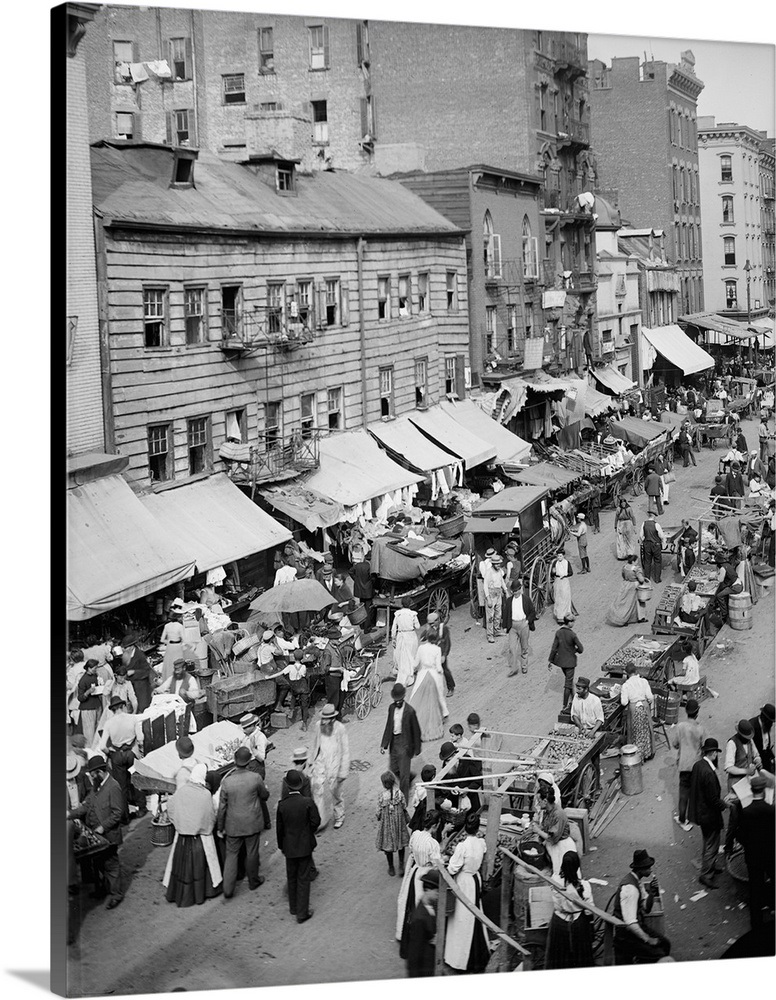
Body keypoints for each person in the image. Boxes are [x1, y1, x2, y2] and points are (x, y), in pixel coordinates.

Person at [67, 756, 125, 909]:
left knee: (111, 865)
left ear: (100, 772)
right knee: (98, 863)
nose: (90, 777)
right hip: (96, 834)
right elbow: (86, 806)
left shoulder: (113, 786)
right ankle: (102, 889)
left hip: (109, 834)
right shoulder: (96, 786)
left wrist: (102, 827)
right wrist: (70, 814)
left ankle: (116, 894)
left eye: (92, 774)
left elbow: (117, 813)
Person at [163, 763, 223, 907]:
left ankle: (180, 895)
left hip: (182, 838)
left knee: (181, 868)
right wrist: (205, 828)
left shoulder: (181, 791)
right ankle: (202, 894)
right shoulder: (205, 794)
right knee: (202, 868)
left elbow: (170, 809)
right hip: (200, 839)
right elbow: (211, 816)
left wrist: (179, 824)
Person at [216, 746, 269, 899]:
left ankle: (228, 889)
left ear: (234, 761)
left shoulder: (226, 782)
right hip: (252, 822)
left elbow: (222, 808)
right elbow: (264, 796)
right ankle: (253, 881)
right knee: (252, 852)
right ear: (248, 761)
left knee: (232, 855)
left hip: (233, 825)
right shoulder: (255, 778)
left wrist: (220, 827)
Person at [444, 815, 490, 972]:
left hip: (464, 882)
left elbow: (452, 868)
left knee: (461, 918)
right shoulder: (481, 843)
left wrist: (447, 864)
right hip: (475, 879)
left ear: (465, 828)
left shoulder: (462, 847)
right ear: (477, 829)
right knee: (474, 914)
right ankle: (477, 951)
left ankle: (459, 958)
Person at [610, 850, 672, 963]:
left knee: (665, 943)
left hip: (638, 926)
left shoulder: (638, 882)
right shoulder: (631, 889)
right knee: (660, 952)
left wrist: (652, 893)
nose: (651, 870)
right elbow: (630, 923)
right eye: (648, 867)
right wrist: (648, 939)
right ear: (640, 869)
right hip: (626, 935)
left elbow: (646, 909)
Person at [276, 768, 321, 924]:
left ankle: (294, 907)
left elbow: (279, 829)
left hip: (289, 847)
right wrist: (308, 832)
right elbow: (316, 821)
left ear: (287, 786)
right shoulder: (307, 802)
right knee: (303, 878)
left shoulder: (282, 805)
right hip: (304, 846)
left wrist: (282, 846)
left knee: (292, 876)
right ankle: (302, 913)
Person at [397, 810, 442, 956]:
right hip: (425, 875)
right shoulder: (432, 843)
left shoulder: (415, 834)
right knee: (422, 906)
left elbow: (411, 851)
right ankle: (421, 938)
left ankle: (406, 934)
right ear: (434, 826)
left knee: (409, 904)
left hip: (415, 871)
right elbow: (437, 864)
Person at [688, 738, 729, 890]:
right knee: (712, 845)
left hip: (701, 812)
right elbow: (712, 799)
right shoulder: (709, 773)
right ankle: (706, 875)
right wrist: (725, 805)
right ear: (712, 753)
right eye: (716, 753)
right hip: (709, 815)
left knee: (708, 842)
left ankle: (710, 866)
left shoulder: (698, 765)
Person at [97, 696, 145, 824]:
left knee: (121, 786)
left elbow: (102, 746)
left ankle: (125, 816)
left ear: (112, 710)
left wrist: (111, 753)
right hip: (131, 754)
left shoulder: (108, 723)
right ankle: (142, 807)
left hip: (117, 756)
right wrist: (139, 751)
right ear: (123, 707)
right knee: (137, 780)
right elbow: (140, 738)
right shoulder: (132, 718)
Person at [735, 774, 775, 928]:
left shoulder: (746, 812)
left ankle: (756, 922)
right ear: (764, 791)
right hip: (771, 854)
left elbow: (740, 835)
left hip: (753, 857)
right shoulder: (771, 810)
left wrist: (749, 845)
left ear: (752, 790)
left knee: (755, 887)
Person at [544, 850, 595, 969]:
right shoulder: (584, 886)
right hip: (578, 923)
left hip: (559, 922)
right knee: (581, 957)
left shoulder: (555, 881)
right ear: (577, 866)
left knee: (559, 958)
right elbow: (589, 910)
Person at [310, 703, 350, 831]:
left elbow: (345, 751)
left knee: (336, 792)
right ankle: (319, 820)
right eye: (323, 718)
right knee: (316, 790)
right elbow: (314, 744)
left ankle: (339, 816)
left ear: (333, 718)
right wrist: (311, 762)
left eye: (326, 719)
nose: (324, 721)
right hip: (320, 763)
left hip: (334, 764)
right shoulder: (318, 726)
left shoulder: (340, 729)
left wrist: (343, 772)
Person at [381, 683, 422, 805]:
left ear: (403, 697)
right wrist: (384, 744)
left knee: (403, 776)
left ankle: (403, 802)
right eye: (396, 700)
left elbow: (416, 730)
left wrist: (417, 748)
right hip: (394, 742)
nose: (397, 702)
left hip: (405, 744)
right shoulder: (391, 708)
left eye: (400, 700)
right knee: (393, 768)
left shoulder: (410, 711)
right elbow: (388, 726)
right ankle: (410, 776)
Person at [668, 698, 705, 832]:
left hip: (684, 764)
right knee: (697, 792)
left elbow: (675, 744)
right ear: (697, 712)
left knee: (684, 794)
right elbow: (704, 746)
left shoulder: (680, 726)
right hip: (697, 764)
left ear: (686, 711)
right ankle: (699, 817)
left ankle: (683, 820)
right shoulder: (700, 728)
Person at [409, 628, 449, 741]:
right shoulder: (437, 649)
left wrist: (411, 665)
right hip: (434, 673)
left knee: (416, 696)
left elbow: (416, 663)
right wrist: (440, 671)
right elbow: (438, 666)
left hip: (422, 674)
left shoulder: (421, 648)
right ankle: (444, 712)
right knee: (439, 694)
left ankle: (414, 722)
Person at [405, 868, 440, 978]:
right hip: (423, 965)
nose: (438, 894)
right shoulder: (419, 918)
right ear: (428, 890)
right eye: (437, 891)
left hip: (430, 960)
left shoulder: (431, 905)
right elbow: (414, 953)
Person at [375, 770, 410, 877]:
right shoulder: (399, 793)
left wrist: (379, 817)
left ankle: (391, 867)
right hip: (399, 823)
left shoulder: (382, 796)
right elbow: (404, 805)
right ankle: (401, 865)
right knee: (401, 842)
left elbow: (378, 811)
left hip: (387, 825)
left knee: (387, 844)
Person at [620, 662, 655, 762]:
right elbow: (650, 697)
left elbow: (624, 702)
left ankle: (638, 757)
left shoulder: (626, 685)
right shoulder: (643, 681)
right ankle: (647, 753)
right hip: (644, 709)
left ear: (627, 673)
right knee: (645, 731)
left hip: (634, 709)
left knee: (635, 733)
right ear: (636, 671)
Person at [548, 616, 583, 713]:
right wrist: (574, 650)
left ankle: (573, 698)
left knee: (569, 680)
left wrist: (550, 660)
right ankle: (565, 705)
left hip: (561, 662)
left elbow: (554, 648)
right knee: (568, 684)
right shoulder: (572, 634)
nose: (573, 624)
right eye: (573, 622)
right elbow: (581, 649)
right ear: (570, 622)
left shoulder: (558, 632)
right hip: (570, 662)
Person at [503, 577, 537, 676]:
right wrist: (505, 626)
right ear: (512, 591)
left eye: (517, 590)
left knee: (524, 648)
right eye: (514, 591)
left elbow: (532, 612)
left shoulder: (526, 599)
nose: (516, 592)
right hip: (512, 626)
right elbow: (506, 614)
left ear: (520, 589)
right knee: (512, 648)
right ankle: (514, 669)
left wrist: (527, 621)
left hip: (523, 625)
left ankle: (524, 667)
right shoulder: (509, 601)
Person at [606, 554, 648, 627]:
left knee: (624, 603)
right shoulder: (636, 569)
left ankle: (624, 618)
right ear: (633, 561)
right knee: (639, 603)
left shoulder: (625, 567)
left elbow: (623, 575)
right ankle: (640, 618)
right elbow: (641, 579)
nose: (637, 562)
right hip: (634, 586)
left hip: (625, 585)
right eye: (636, 561)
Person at [391, 597, 420, 687]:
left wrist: (393, 638)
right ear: (410, 604)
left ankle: (402, 674)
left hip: (401, 636)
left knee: (402, 656)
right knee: (410, 655)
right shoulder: (412, 614)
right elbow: (418, 626)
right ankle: (409, 676)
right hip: (410, 636)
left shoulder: (398, 614)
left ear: (402, 604)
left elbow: (393, 629)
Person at [426, 612, 455, 697]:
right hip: (432, 653)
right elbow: (423, 638)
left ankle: (451, 687)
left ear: (437, 621)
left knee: (445, 670)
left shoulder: (443, 628)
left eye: (432, 623)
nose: (431, 625)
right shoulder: (430, 629)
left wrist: (444, 655)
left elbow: (448, 643)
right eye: (429, 623)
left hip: (441, 653)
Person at [481, 552, 509, 642]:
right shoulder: (489, 572)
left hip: (498, 594)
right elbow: (485, 585)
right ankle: (490, 635)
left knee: (498, 614)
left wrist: (506, 591)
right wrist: (488, 598)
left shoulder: (499, 571)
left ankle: (496, 630)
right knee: (490, 616)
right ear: (492, 564)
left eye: (499, 564)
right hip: (491, 595)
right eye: (496, 564)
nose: (498, 565)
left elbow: (502, 581)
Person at [77, 660, 104, 747]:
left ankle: (97, 747)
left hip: (97, 705)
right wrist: (88, 692)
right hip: (88, 708)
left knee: (98, 728)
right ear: (89, 668)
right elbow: (80, 697)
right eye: (94, 668)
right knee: (89, 732)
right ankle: (90, 750)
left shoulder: (95, 676)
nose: (96, 670)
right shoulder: (83, 680)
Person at [159, 608, 186, 684]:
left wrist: (169, 641)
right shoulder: (180, 626)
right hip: (177, 647)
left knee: (169, 665)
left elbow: (162, 640)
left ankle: (168, 682)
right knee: (178, 664)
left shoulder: (167, 626)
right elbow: (184, 640)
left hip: (170, 646)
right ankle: (177, 681)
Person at [350, 547, 375, 630]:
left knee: (362, 607)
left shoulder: (358, 565)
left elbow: (350, 572)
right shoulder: (370, 567)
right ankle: (367, 628)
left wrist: (356, 580)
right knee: (368, 609)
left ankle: (362, 625)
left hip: (359, 591)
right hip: (368, 591)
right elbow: (373, 579)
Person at [407, 765, 437, 832]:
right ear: (433, 777)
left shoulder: (419, 789)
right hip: (426, 817)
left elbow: (414, 803)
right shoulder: (430, 791)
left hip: (419, 816)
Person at [639, 512, 665, 584]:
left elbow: (641, 535)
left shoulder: (644, 524)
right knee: (657, 561)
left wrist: (644, 540)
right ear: (653, 516)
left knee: (647, 561)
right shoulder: (656, 525)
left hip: (647, 545)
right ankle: (657, 579)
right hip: (656, 545)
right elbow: (661, 536)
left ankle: (647, 578)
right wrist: (663, 543)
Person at [550, 551, 576, 624]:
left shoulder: (567, 563)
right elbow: (552, 574)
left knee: (565, 597)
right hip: (557, 581)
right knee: (558, 598)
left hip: (564, 581)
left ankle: (566, 615)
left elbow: (571, 573)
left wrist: (564, 575)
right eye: (558, 556)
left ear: (563, 556)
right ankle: (560, 617)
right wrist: (553, 572)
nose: (559, 558)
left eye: (560, 556)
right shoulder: (555, 563)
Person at [750, 703, 775, 774]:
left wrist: (773, 757)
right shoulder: (752, 726)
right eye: (771, 722)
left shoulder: (766, 726)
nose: (772, 724)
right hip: (756, 763)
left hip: (766, 760)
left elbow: (766, 745)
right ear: (765, 719)